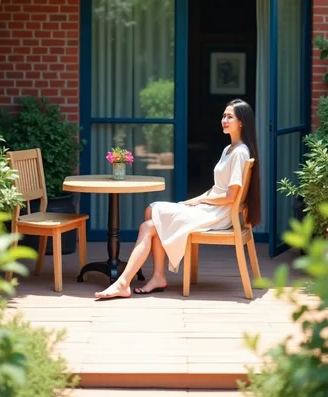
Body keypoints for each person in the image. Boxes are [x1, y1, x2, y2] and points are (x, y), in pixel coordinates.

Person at [94, 98, 261, 300]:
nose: (224, 120)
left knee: (149, 223)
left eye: (230, 117)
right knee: (151, 214)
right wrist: (195, 200)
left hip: (219, 214)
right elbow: (217, 189)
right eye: (223, 115)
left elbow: (231, 197)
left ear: (242, 122)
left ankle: (127, 282)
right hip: (211, 208)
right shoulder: (229, 149)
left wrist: (200, 202)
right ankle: (154, 277)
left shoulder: (240, 153)